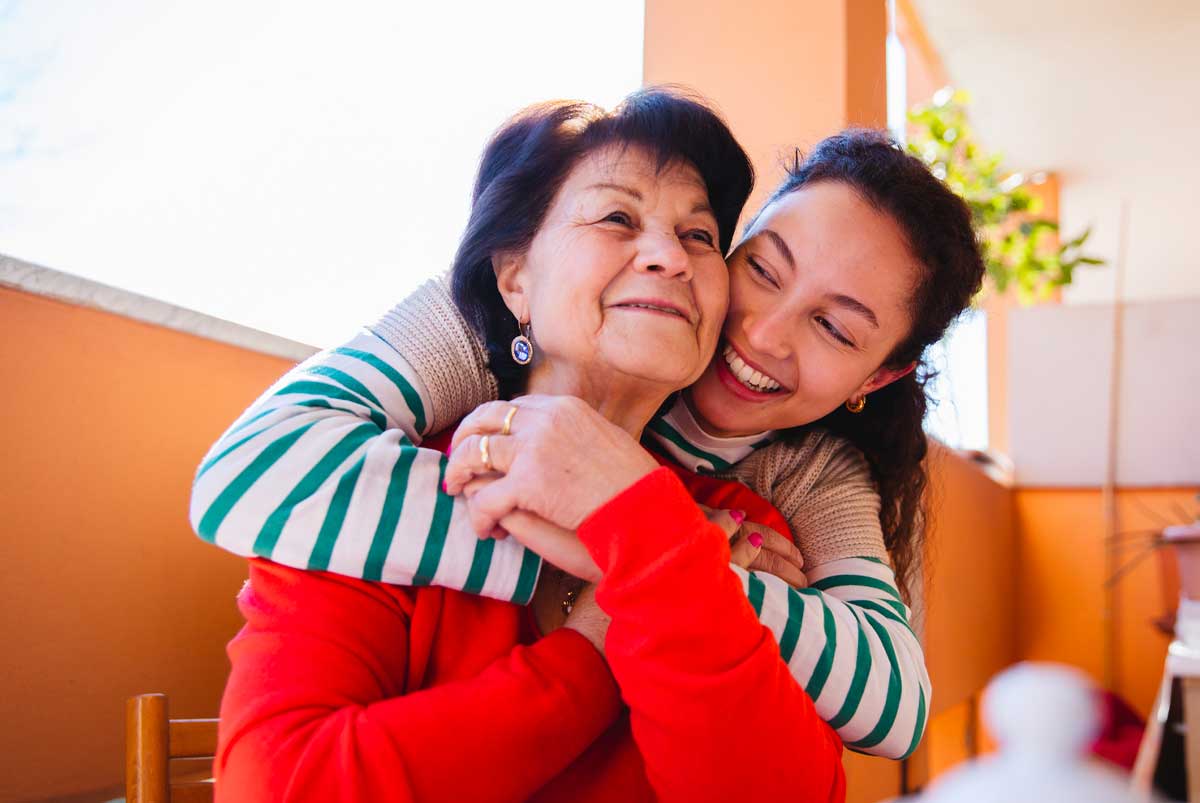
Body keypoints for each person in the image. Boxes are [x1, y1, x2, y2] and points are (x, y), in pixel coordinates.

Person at [193, 102, 985, 763]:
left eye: (835, 329)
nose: (765, 334)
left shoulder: (804, 478)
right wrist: (645, 546)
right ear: (515, 277)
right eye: (763, 268)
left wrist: (648, 546)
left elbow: (892, 702)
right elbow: (248, 468)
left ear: (878, 378)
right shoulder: (476, 335)